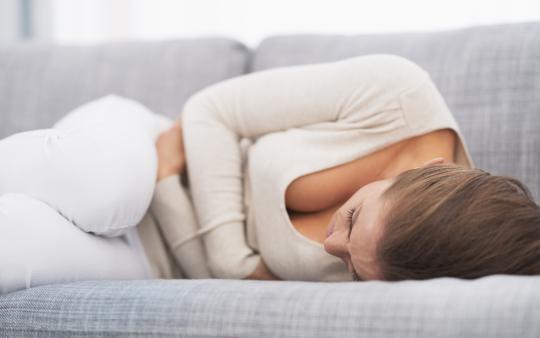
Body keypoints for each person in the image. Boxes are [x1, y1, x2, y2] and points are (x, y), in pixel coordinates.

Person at [1, 55, 538, 293]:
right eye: (352, 220)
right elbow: (211, 112)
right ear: (429, 173)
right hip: (139, 150)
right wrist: (233, 259)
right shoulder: (397, 94)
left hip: (151, 261)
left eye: (350, 270)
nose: (333, 252)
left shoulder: (400, 269)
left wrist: (175, 182)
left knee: (12, 254)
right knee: (109, 190)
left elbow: (214, 282)